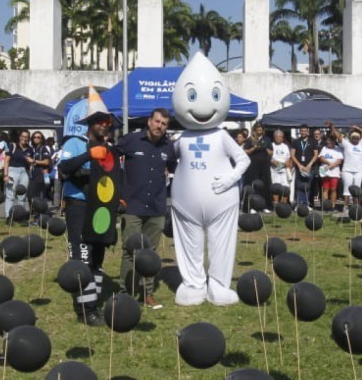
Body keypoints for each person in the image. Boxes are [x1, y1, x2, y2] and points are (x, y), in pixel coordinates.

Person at [168, 53, 251, 307]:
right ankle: (193, 283)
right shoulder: (180, 138)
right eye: (190, 97)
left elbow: (243, 160)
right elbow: (167, 160)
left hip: (222, 202)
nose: (202, 107)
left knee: (222, 243)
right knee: (189, 243)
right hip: (185, 205)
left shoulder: (222, 135)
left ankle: (217, 284)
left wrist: (229, 179)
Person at [58, 90, 120, 324]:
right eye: (101, 122)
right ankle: (85, 310)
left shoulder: (109, 149)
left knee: (98, 258)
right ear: (90, 123)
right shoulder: (74, 143)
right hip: (79, 206)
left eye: (108, 122)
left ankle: (92, 303)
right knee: (82, 257)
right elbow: (63, 169)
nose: (106, 126)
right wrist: (87, 156)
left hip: (101, 209)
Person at [115, 107, 177, 308]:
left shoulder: (169, 147)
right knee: (130, 251)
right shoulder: (130, 140)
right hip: (132, 205)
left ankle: (147, 293)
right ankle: (126, 292)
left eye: (164, 124)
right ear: (149, 121)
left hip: (156, 207)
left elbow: (174, 167)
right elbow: (110, 159)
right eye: (157, 122)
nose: (160, 126)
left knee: (151, 253)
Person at [331, 123, 362, 212]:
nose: (355, 139)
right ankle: (346, 206)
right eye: (353, 137)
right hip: (347, 170)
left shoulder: (361, 144)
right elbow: (339, 136)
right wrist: (332, 127)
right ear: (350, 138)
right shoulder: (347, 144)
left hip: (358, 171)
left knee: (357, 190)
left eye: (357, 138)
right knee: (347, 190)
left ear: (359, 138)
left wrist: (357, 127)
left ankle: (356, 207)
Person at [243, 123, 272, 210]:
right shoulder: (250, 139)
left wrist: (265, 147)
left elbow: (271, 152)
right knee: (253, 183)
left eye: (261, 129)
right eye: (257, 129)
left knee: (265, 184)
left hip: (264, 165)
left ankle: (265, 205)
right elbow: (246, 151)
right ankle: (251, 205)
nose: (259, 131)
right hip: (253, 165)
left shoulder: (267, 139)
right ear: (255, 130)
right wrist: (255, 147)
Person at [2, 130, 31, 219]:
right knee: (10, 194)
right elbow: (6, 161)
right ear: (19, 137)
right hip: (13, 170)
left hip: (24, 172)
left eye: (26, 137)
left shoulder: (29, 149)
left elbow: (30, 163)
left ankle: (20, 216)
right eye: (23, 136)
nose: (24, 138)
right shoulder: (13, 146)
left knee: (22, 194)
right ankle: (8, 216)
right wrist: (6, 175)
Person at [291, 126, 319, 209]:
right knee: (298, 185)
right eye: (301, 131)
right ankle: (298, 204)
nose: (303, 132)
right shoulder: (296, 141)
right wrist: (299, 165)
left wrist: (309, 165)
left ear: (308, 132)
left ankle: (306, 204)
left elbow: (316, 154)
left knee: (308, 185)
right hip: (299, 167)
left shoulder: (313, 141)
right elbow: (292, 154)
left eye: (304, 131)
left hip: (309, 167)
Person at [28, 131, 53, 208]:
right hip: (33, 175)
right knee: (30, 194)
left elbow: (47, 162)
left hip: (40, 175)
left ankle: (40, 214)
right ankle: (35, 213)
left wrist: (34, 161)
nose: (36, 139)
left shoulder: (43, 148)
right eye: (34, 137)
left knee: (36, 195)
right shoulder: (33, 149)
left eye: (38, 137)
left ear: (42, 139)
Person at [317, 133, 343, 208]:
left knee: (333, 189)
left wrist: (333, 165)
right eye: (327, 141)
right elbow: (321, 158)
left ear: (334, 141)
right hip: (324, 171)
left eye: (330, 141)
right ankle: (326, 205)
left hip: (334, 172)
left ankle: (333, 205)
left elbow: (340, 160)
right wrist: (328, 163)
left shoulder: (338, 149)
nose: (328, 143)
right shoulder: (324, 148)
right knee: (325, 188)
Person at [269, 129, 292, 200]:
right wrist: (272, 161)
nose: (278, 138)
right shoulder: (271, 145)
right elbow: (268, 156)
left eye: (280, 137)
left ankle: (284, 205)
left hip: (284, 169)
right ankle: (276, 204)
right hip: (274, 169)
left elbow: (288, 157)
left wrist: (288, 162)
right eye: (276, 136)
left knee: (285, 187)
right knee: (275, 187)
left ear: (282, 138)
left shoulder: (285, 146)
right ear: (274, 137)